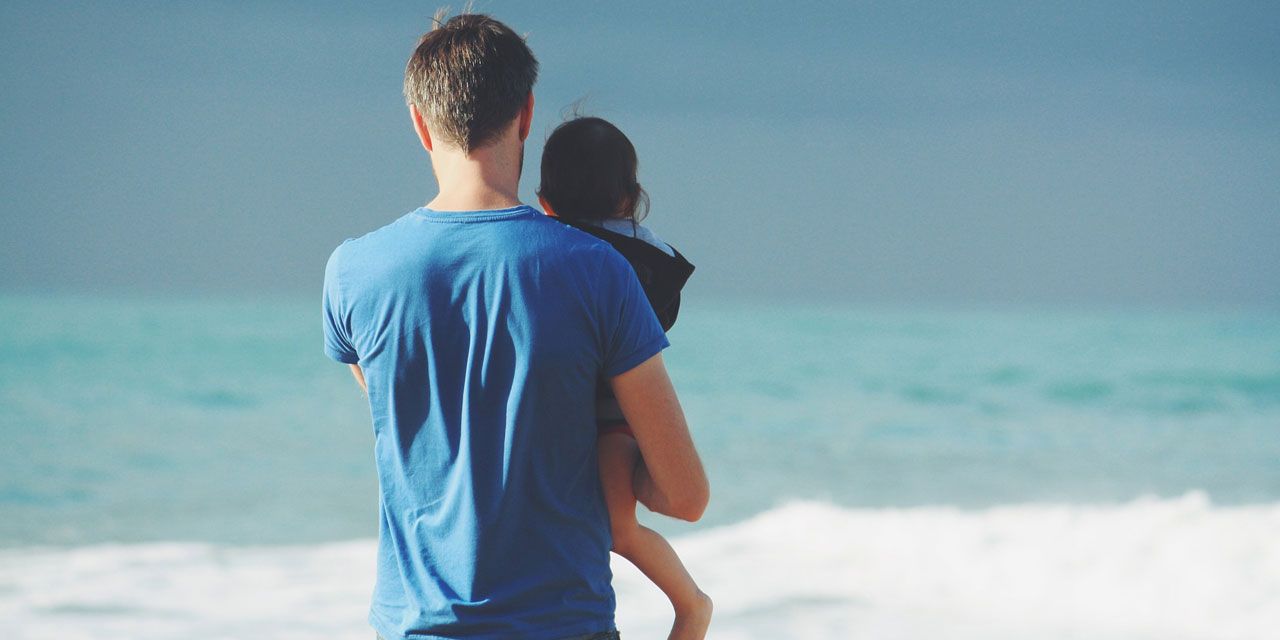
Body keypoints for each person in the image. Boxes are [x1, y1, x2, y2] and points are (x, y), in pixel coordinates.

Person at [320, 12, 709, 640]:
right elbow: (686, 497)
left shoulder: (351, 273)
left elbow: (411, 419)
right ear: (526, 115)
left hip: (414, 626)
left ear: (420, 123)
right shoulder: (599, 271)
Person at [537, 116, 711, 640]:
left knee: (617, 527)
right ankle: (690, 606)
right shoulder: (650, 255)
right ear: (632, 197)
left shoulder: (552, 250)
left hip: (616, 410)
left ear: (545, 201)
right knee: (616, 528)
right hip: (609, 411)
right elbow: (665, 317)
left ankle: (692, 605)